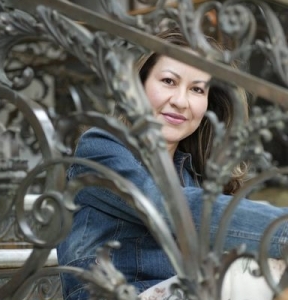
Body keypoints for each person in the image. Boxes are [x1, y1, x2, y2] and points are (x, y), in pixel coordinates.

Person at [57, 27, 288, 300]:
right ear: (137, 86)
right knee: (250, 274)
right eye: (168, 81)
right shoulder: (100, 148)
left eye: (196, 89)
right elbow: (169, 207)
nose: (180, 101)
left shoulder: (192, 175)